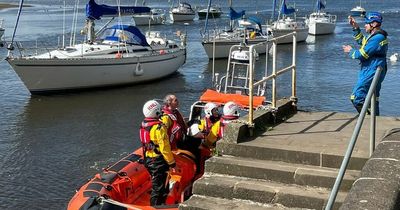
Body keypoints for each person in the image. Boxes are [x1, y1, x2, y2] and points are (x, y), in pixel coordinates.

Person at [342, 12, 388, 115]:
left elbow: (362, 54)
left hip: (372, 70)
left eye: (367, 23)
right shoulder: (374, 36)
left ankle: (368, 119)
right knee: (372, 98)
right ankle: (375, 123)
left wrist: (350, 51)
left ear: (374, 24)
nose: (365, 25)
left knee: (357, 97)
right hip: (373, 68)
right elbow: (362, 41)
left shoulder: (377, 38)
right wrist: (355, 27)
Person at [139, 100, 176, 206]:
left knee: (159, 184)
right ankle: (155, 206)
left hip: (148, 159)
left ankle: (161, 201)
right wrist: (172, 162)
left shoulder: (144, 125)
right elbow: (165, 148)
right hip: (158, 161)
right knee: (158, 187)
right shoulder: (159, 128)